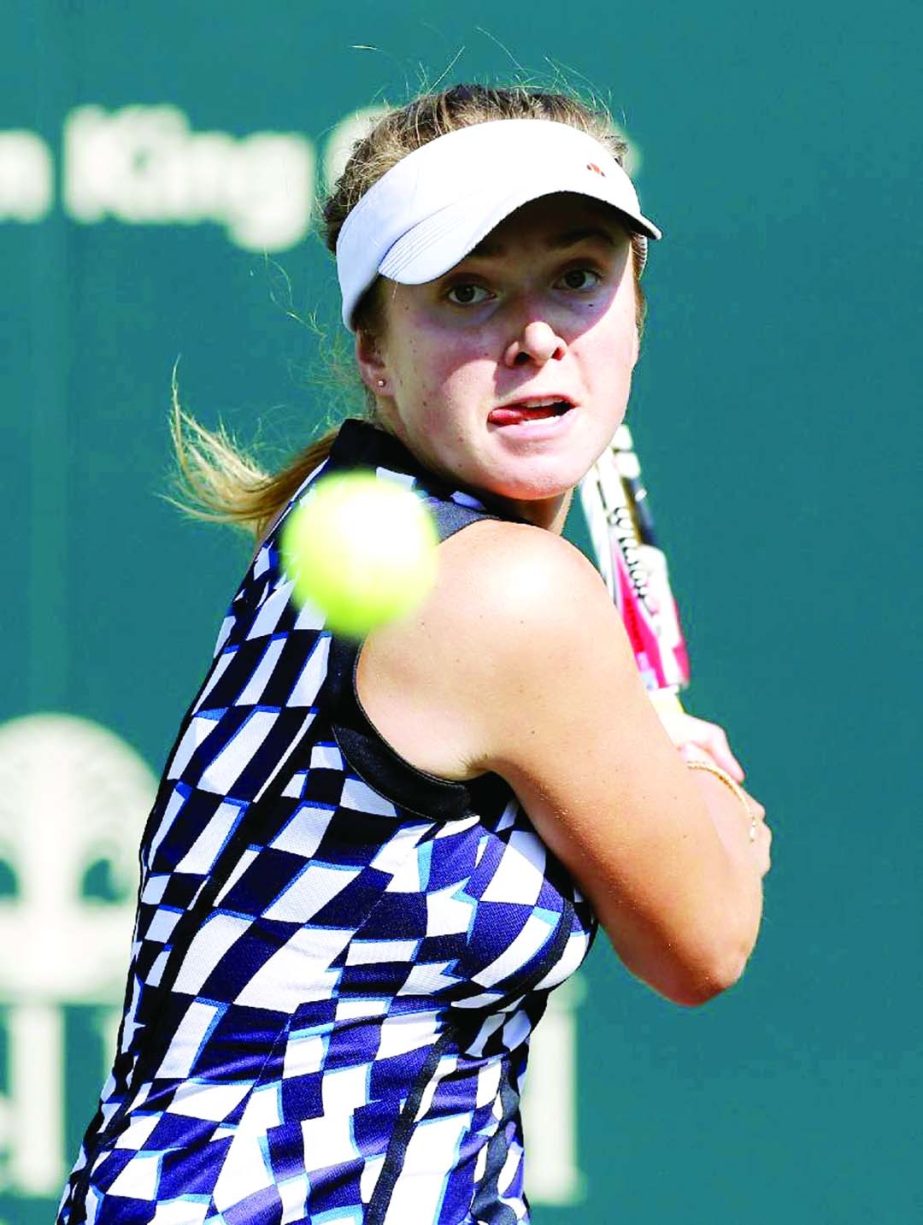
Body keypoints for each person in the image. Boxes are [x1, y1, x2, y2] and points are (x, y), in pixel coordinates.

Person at [58, 83, 771, 1225]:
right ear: (375, 356)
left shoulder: (340, 518)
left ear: (637, 308)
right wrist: (706, 783)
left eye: (576, 276)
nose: (533, 335)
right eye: (466, 292)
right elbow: (705, 940)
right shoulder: (505, 591)